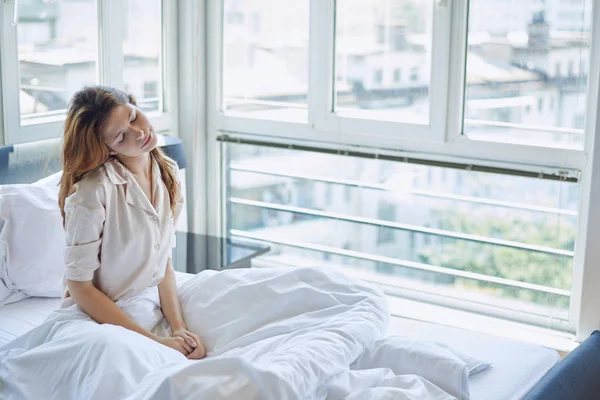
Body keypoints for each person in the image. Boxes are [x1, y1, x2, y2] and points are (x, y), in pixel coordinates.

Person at [57, 85, 206, 360]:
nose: (139, 133)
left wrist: (179, 329)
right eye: (121, 136)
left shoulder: (168, 172)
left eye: (134, 116)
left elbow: (163, 263)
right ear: (108, 149)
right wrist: (155, 342)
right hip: (99, 317)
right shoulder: (93, 192)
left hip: (148, 303)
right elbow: (79, 287)